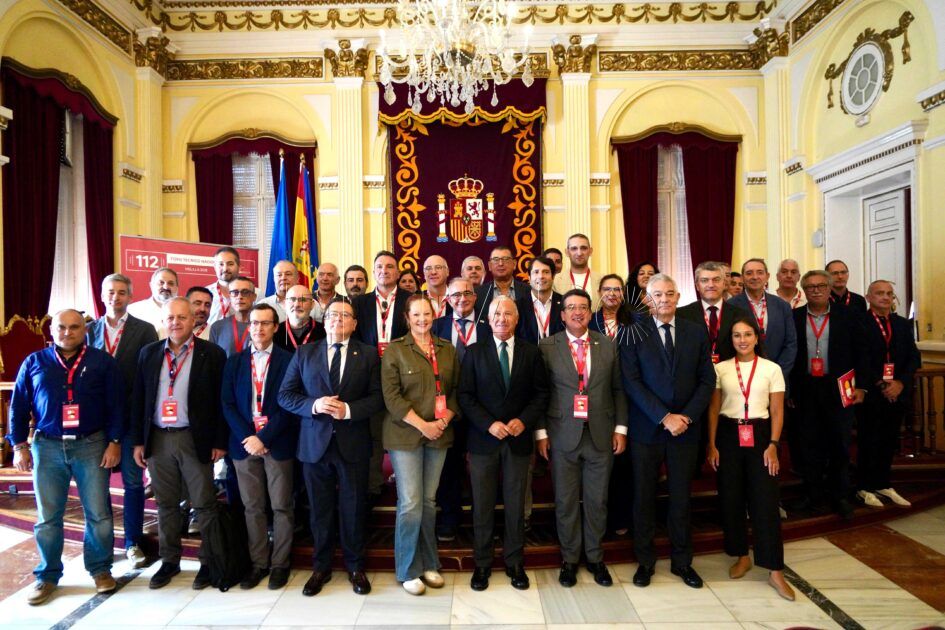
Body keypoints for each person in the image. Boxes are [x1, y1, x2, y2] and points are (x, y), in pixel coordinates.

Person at [9, 309, 123, 606]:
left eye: (74, 327)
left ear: (85, 330)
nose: (67, 332)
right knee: (48, 517)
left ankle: (100, 570)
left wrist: (114, 442)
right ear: (52, 330)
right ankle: (47, 575)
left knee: (98, 514)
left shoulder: (102, 362)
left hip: (92, 444)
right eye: (61, 327)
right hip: (47, 447)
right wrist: (19, 445)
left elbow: (116, 405)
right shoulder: (34, 362)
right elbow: (18, 405)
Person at [279, 298, 385, 596]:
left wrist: (348, 410)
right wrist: (314, 405)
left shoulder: (368, 354)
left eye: (345, 315)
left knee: (354, 508)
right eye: (333, 315)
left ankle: (355, 566)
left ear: (354, 323)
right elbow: (286, 395)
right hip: (315, 445)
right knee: (319, 509)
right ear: (324, 321)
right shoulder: (305, 353)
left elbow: (378, 398)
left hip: (353, 443)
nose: (338, 319)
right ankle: (321, 567)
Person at [621, 274, 715, 589]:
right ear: (647, 299)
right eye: (657, 294)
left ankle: (682, 562)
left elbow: (707, 380)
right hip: (647, 429)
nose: (664, 299)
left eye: (670, 293)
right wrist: (664, 417)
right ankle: (645, 562)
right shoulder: (632, 331)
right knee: (643, 497)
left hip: (685, 430)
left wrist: (685, 417)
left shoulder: (695, 331)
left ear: (678, 297)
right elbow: (631, 381)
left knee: (681, 498)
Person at [131, 297, 228, 590]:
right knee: (166, 504)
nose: (176, 322)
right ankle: (169, 561)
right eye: (170, 318)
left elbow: (221, 401)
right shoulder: (148, 353)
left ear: (193, 320)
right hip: (158, 438)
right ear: (163, 321)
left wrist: (219, 441)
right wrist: (138, 442)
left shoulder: (212, 354)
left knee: (204, 503)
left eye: (182, 317)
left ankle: (209, 562)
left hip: (194, 438)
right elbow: (139, 398)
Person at [537, 289, 628, 588]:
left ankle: (595, 557)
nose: (577, 312)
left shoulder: (608, 344)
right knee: (565, 501)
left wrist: (621, 429)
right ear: (562, 314)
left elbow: (618, 389)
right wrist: (541, 433)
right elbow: (540, 393)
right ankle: (569, 559)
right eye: (571, 307)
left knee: (597, 500)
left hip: (601, 434)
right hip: (562, 435)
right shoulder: (546, 346)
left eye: (583, 307)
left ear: (590, 313)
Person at [459, 296, 549, 591]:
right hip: (483, 440)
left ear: (517, 319)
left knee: (515, 504)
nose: (502, 318)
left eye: (508, 313)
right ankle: (482, 563)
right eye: (496, 314)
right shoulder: (474, 352)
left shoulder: (531, 352)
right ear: (488, 319)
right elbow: (465, 396)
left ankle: (515, 561)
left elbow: (541, 394)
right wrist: (488, 423)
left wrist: (524, 420)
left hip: (518, 439)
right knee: (482, 504)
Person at [706, 316, 794, 601]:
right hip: (729, 436)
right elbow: (714, 409)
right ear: (730, 340)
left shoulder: (772, 369)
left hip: (761, 435)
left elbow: (777, 410)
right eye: (736, 335)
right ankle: (741, 556)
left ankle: (775, 570)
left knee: (765, 501)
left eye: (747, 334)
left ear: (757, 337)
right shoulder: (721, 369)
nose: (742, 340)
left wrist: (773, 444)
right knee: (731, 498)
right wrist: (712, 444)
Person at [380, 295, 460, 595]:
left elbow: (456, 391)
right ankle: (408, 568)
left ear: (435, 314)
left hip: (439, 434)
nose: (422, 319)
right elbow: (392, 397)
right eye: (416, 315)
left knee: (428, 501)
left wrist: (444, 420)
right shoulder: (395, 350)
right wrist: (423, 425)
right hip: (405, 435)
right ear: (407, 317)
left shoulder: (447, 349)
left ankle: (429, 563)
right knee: (411, 502)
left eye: (427, 313)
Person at [221, 304, 296, 590]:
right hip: (244, 446)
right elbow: (227, 404)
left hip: (277, 442)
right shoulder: (234, 362)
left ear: (275, 327)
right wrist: (249, 438)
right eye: (254, 323)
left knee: (281, 506)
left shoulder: (289, 360)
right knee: (253, 507)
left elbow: (291, 405)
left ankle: (280, 564)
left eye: (265, 323)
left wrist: (264, 437)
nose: (259, 328)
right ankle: (259, 563)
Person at [86, 273, 158, 568]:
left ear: (130, 296)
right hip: (95, 422)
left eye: (121, 292)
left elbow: (149, 377)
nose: (115, 297)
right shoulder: (88, 330)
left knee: (133, 483)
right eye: (110, 292)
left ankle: (132, 543)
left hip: (130, 419)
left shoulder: (145, 330)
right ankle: (102, 544)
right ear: (102, 295)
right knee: (97, 485)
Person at [789, 270, 868, 520]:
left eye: (821, 285)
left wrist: (861, 386)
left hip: (840, 387)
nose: (816, 290)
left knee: (839, 443)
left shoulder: (849, 315)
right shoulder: (794, 316)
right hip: (806, 388)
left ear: (829, 287)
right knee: (808, 444)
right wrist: (789, 390)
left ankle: (840, 495)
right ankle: (812, 494)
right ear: (804, 290)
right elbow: (789, 354)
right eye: (810, 286)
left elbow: (862, 353)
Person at [431, 278, 491, 542]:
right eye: (456, 295)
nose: (462, 299)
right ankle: (449, 518)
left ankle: (483, 522)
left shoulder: (489, 326)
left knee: (483, 468)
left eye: (467, 293)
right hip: (448, 408)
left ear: (475, 297)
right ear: (448, 299)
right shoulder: (436, 327)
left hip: (482, 409)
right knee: (449, 466)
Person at [856, 280, 921, 508]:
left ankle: (883, 483)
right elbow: (860, 358)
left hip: (897, 391)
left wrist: (900, 383)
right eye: (880, 293)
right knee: (869, 439)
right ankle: (864, 487)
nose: (885, 297)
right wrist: (882, 385)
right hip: (872, 393)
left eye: (889, 293)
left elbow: (913, 357)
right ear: (868, 297)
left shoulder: (901, 324)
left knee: (889, 439)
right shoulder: (860, 322)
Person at [354, 251, 410, 504]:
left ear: (397, 272)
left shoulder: (411, 300)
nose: (384, 271)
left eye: (389, 267)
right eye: (379, 267)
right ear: (374, 272)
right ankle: (374, 485)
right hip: (370, 377)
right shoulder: (360, 303)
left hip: (403, 375)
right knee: (374, 432)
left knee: (403, 428)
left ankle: (405, 483)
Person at [678, 261, 747, 364]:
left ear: (724, 284)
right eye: (704, 280)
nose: (711, 285)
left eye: (716, 280)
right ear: (697, 286)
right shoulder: (681, 315)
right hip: (694, 372)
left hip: (731, 370)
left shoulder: (740, 314)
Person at [474, 245, 530, 324]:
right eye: (496, 259)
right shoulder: (478, 293)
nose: (500, 263)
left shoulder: (529, 291)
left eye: (505, 259)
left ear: (514, 264)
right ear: (490, 266)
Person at [516, 255, 564, 344]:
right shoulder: (517, 306)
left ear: (553, 276)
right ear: (529, 277)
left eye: (546, 272)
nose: (541, 276)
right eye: (536, 272)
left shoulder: (565, 303)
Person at [210, 276, 257, 357]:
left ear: (254, 297)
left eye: (245, 292)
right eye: (235, 292)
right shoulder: (217, 327)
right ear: (230, 296)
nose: (239, 297)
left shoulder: (262, 326)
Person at [127, 267, 179, 335]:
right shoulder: (133, 311)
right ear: (151, 285)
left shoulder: (185, 312)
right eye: (161, 283)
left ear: (177, 288)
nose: (166, 287)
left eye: (171, 283)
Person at [275, 284, 325, 352]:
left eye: (303, 300)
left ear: (312, 304)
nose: (296, 305)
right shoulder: (274, 333)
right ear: (285, 304)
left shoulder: (324, 333)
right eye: (292, 299)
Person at [553, 234, 601, 306]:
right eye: (574, 248)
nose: (579, 253)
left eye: (583, 248)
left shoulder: (602, 280)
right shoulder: (555, 281)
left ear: (590, 251)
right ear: (567, 252)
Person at [206, 246, 246, 325]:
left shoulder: (254, 293)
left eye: (230, 264)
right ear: (214, 267)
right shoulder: (206, 293)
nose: (225, 269)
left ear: (239, 267)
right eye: (221, 264)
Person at [589, 274, 625, 341]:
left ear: (623, 293)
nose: (612, 293)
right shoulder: (589, 321)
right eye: (607, 289)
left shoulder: (634, 320)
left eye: (617, 289)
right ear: (599, 293)